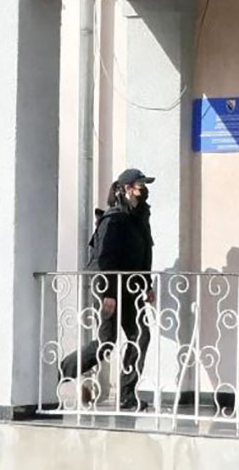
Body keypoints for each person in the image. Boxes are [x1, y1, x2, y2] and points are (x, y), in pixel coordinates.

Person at [60, 168, 156, 412]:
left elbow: (145, 254)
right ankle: (60, 372)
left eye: (144, 185)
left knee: (141, 336)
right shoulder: (112, 219)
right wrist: (108, 295)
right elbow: (105, 260)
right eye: (140, 185)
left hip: (132, 288)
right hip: (109, 289)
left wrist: (147, 285)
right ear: (126, 189)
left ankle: (127, 395)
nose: (143, 189)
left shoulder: (140, 216)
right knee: (107, 343)